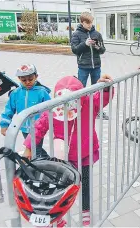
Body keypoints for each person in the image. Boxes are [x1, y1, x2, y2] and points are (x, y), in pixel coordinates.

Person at [23, 74, 114, 227]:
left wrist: (105, 87)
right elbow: (39, 127)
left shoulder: (89, 102)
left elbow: (103, 99)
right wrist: (28, 147)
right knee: (59, 188)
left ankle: (86, 211)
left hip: (85, 153)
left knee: (85, 183)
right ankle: (56, 217)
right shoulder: (53, 109)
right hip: (63, 158)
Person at [0, 64, 50, 158]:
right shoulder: (16, 93)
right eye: (23, 80)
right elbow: (9, 109)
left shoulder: (42, 92)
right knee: (33, 147)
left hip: (38, 127)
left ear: (36, 76)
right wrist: (4, 124)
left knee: (35, 150)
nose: (27, 82)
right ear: (19, 78)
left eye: (30, 79)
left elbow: (49, 109)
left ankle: (37, 168)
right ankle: (47, 159)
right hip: (24, 128)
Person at [71, 12, 108, 119]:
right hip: (83, 67)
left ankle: (97, 111)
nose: (90, 25)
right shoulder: (76, 34)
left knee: (97, 89)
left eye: (91, 22)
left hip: (96, 66)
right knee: (80, 89)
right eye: (87, 23)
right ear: (82, 22)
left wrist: (97, 46)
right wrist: (85, 44)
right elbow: (74, 50)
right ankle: (79, 110)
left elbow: (103, 50)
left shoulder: (97, 34)